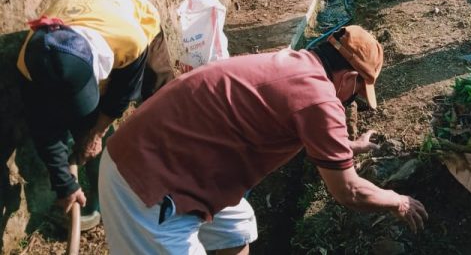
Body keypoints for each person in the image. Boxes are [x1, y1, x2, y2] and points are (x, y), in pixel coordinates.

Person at [98, 26, 428, 254]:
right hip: (145, 179)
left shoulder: (295, 65)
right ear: (350, 78)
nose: (350, 102)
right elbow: (349, 191)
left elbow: (298, 122)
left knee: (237, 228)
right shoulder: (320, 99)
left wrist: (346, 146)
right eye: (355, 95)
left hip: (174, 154)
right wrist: (397, 200)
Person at [16, 0, 174, 229]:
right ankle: (101, 200)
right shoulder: (29, 66)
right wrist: (65, 183)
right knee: (85, 123)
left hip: (133, 16)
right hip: (81, 16)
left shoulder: (130, 40)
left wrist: (97, 134)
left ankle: (170, 177)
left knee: (162, 104)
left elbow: (119, 97)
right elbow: (43, 128)